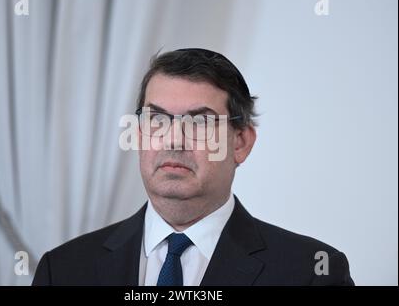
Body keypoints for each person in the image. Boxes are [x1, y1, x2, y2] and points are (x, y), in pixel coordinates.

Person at [32, 48, 354, 286]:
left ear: (240, 143)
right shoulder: (61, 271)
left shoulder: (312, 274)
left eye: (199, 122)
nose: (174, 140)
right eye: (157, 119)